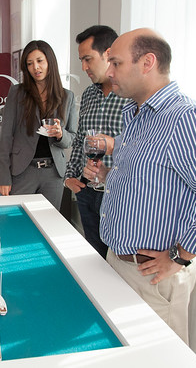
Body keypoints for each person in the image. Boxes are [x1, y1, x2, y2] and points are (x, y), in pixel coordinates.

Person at [90, 28, 196, 344]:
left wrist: (179, 255)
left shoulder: (184, 119)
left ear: (147, 62)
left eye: (116, 63)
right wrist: (107, 177)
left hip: (152, 277)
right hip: (117, 263)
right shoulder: (135, 114)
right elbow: (149, 180)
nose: (109, 73)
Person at [63, 25, 128, 259]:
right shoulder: (89, 94)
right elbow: (81, 138)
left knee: (118, 261)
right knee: (95, 257)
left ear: (108, 54)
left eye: (88, 59)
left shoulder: (131, 96)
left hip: (118, 194)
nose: (84, 67)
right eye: (81, 60)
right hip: (86, 190)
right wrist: (70, 177)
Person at [0, 40, 78, 210]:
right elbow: (6, 136)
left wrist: (60, 134)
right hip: (23, 170)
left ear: (50, 62)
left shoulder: (67, 97)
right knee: (18, 218)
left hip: (53, 174)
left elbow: (72, 138)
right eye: (29, 63)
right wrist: (3, 176)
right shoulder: (17, 93)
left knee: (48, 221)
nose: (35, 67)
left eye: (40, 61)